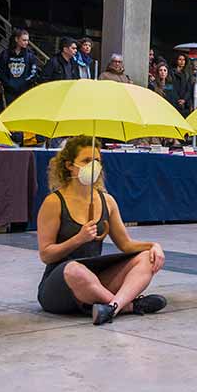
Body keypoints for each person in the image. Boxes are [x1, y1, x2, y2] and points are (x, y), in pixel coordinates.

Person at [36, 136, 167, 324]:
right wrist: (78, 239)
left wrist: (153, 245)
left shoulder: (107, 201)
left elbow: (126, 245)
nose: (93, 166)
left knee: (146, 258)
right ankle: (126, 305)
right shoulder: (54, 202)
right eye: (86, 161)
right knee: (75, 269)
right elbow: (46, 255)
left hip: (94, 280)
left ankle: (109, 308)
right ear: (69, 165)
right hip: (61, 283)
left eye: (97, 161)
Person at [1, 29, 39, 106]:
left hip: (24, 90)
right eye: (24, 40)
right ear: (16, 39)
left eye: (27, 40)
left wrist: (24, 84)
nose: (26, 42)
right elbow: (1, 71)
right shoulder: (5, 53)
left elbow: (34, 73)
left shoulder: (30, 55)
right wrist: (8, 83)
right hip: (9, 90)